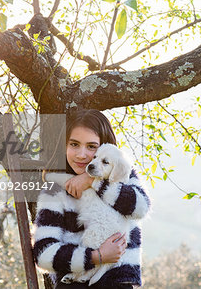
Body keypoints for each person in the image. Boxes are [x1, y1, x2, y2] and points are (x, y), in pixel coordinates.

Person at [33, 109, 151, 288]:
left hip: (118, 280)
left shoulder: (122, 173)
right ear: (64, 146)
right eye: (74, 144)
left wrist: (92, 181)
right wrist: (96, 256)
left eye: (91, 147)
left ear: (104, 148)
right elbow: (44, 254)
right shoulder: (55, 191)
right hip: (75, 284)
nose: (81, 155)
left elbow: (141, 207)